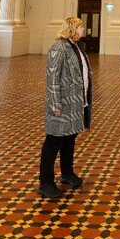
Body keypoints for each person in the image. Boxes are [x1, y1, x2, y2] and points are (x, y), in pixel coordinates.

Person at [38, 16, 93, 198]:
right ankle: (45, 182)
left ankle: (67, 173)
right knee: (53, 141)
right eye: (80, 27)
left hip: (76, 102)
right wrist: (55, 105)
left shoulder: (75, 46)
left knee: (69, 138)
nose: (83, 30)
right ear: (71, 29)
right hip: (62, 104)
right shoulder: (58, 48)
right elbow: (52, 78)